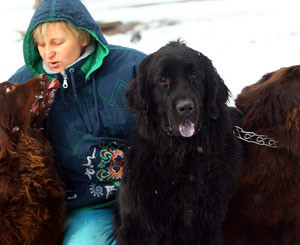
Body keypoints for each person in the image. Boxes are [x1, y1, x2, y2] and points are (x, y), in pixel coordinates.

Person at [9, 0, 146, 244]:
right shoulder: (24, 88)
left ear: (83, 37)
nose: (47, 52)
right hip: (87, 208)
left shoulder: (132, 68)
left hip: (147, 192)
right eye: (40, 44)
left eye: (57, 42)